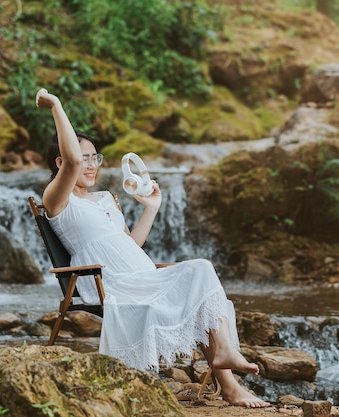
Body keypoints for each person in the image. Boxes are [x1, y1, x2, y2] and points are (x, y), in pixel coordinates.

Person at [35, 88, 270, 408]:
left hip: (142, 274)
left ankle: (228, 375)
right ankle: (229, 382)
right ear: (62, 163)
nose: (90, 165)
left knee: (201, 270)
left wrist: (152, 207)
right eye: (84, 158)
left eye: (95, 158)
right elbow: (73, 161)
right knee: (199, 271)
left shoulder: (104, 199)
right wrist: (56, 105)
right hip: (110, 283)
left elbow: (129, 244)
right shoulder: (57, 200)